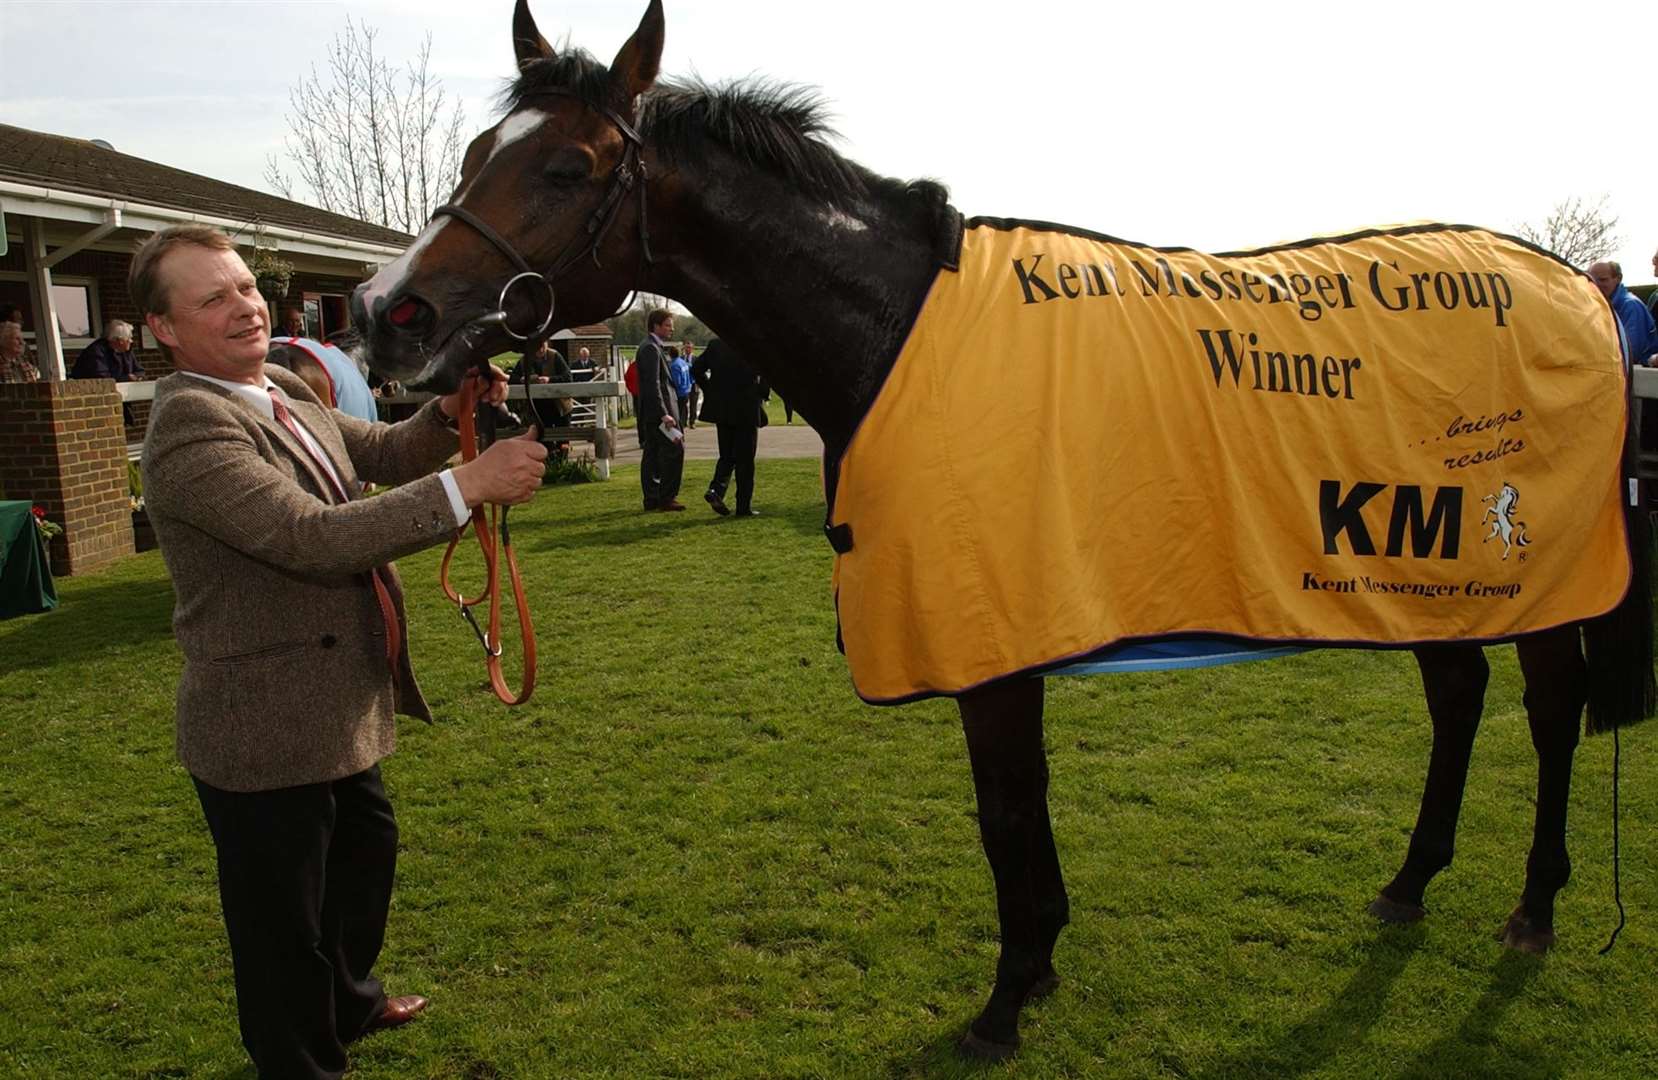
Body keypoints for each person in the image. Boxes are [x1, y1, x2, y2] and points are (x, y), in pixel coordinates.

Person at [133, 223, 546, 1080]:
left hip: (335, 704)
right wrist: (468, 483)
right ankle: (301, 1061)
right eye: (212, 298)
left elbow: (386, 454)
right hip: (261, 724)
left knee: (364, 858)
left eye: (245, 287)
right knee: (283, 924)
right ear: (164, 330)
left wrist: (444, 415)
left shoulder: (281, 385)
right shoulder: (187, 430)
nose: (244, 307)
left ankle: (349, 1003)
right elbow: (309, 537)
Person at [693, 337, 769, 517]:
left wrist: (710, 390)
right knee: (745, 460)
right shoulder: (754, 344)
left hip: (723, 409)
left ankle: (716, 490)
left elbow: (696, 368)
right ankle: (743, 506)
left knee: (727, 455)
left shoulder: (716, 344)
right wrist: (762, 392)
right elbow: (767, 372)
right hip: (746, 408)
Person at [635, 309, 684, 510]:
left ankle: (652, 498)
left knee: (653, 454)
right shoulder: (650, 349)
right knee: (675, 449)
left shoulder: (652, 347)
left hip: (653, 411)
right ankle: (666, 498)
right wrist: (663, 413)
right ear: (655, 326)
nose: (671, 329)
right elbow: (652, 384)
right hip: (659, 412)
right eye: (667, 325)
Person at [1588, 260, 1656, 366]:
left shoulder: (1630, 306)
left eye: (1603, 280)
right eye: (1591, 280)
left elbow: (1630, 353)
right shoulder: (1600, 306)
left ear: (1618, 278)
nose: (1596, 285)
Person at [667, 345, 693, 429]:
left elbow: (676, 381)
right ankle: (683, 426)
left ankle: (679, 431)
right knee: (683, 412)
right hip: (686, 390)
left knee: (677, 414)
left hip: (679, 393)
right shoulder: (683, 362)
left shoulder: (674, 365)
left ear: (670, 354)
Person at [680, 343, 702, 428]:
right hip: (684, 385)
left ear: (692, 349)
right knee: (684, 403)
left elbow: (700, 372)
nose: (687, 349)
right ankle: (683, 421)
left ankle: (692, 422)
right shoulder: (681, 359)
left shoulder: (696, 359)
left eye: (689, 348)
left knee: (693, 404)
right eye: (686, 348)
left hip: (694, 384)